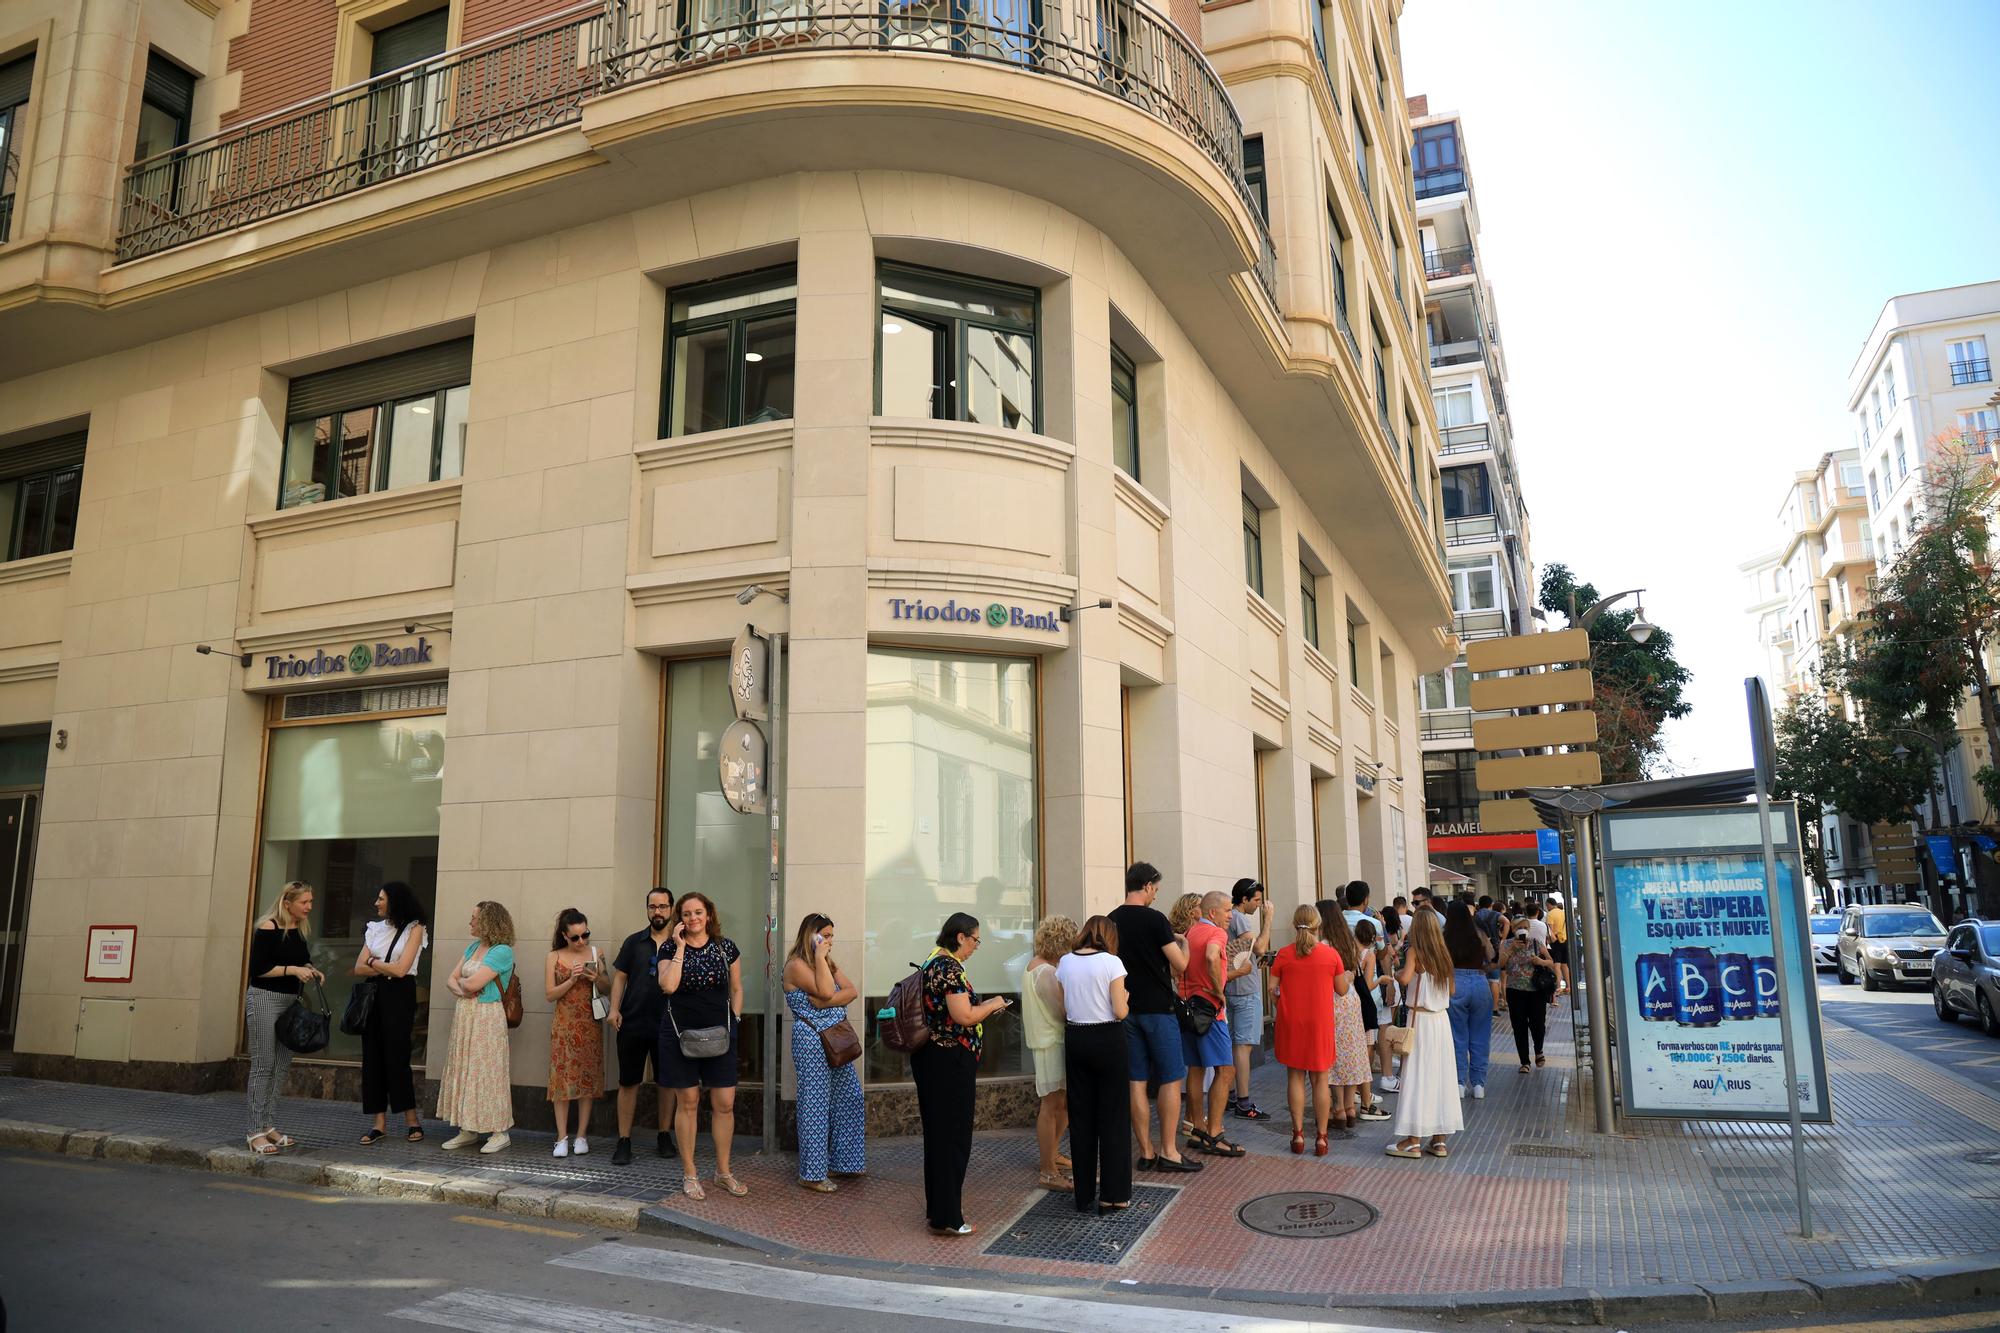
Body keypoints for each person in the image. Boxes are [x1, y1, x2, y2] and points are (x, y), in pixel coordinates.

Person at [913, 912, 1011, 1235]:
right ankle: (949, 1217)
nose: (976, 946)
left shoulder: (932, 960)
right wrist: (993, 1004)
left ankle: (939, 1211)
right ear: (960, 937)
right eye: (975, 940)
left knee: (939, 1137)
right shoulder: (949, 967)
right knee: (954, 1138)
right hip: (948, 1060)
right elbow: (964, 1015)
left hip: (934, 1058)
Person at [1110, 862, 1198, 1174]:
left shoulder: (1111, 920)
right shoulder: (1155, 920)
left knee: (1136, 1081)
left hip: (1125, 1008)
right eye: (1156, 890)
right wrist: (1184, 944)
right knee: (1171, 1078)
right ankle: (1169, 1151)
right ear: (1147, 886)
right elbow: (1180, 965)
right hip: (1159, 1009)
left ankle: (1146, 1151)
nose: (1155, 896)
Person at [658, 891, 745, 1200]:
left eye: (698, 912)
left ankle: (723, 1172)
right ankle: (690, 1174)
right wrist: (680, 946)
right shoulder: (669, 947)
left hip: (721, 1034)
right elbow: (668, 985)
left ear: (709, 914)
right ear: (679, 919)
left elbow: (736, 988)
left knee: (725, 1103)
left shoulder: (726, 947)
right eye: (686, 914)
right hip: (680, 1035)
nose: (692, 918)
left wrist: (735, 1020)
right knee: (689, 1103)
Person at [784, 913, 865, 1192]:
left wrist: (823, 1003)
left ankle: (844, 1162)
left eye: (831, 935)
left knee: (850, 1096)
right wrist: (820, 960)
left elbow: (850, 991)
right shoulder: (796, 965)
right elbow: (829, 990)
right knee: (815, 1104)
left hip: (836, 1039)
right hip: (811, 1040)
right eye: (825, 935)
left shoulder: (828, 962)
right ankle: (812, 1174)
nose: (830, 940)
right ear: (811, 935)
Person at [1057, 916, 1131, 1215]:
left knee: (1081, 1116)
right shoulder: (1112, 963)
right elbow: (1120, 1010)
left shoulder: (1065, 962)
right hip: (1108, 1037)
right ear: (1109, 936)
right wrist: (1125, 996)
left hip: (1076, 1036)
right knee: (1113, 1117)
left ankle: (1083, 1194)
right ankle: (1113, 1195)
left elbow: (1064, 1008)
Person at [245, 881, 322, 1155]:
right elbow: (259, 970)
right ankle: (254, 1131)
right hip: (264, 999)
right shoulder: (268, 928)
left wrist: (311, 970)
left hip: (290, 1003)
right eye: (305, 902)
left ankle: (268, 1126)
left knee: (279, 1066)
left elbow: (303, 960)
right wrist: (293, 970)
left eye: (311, 902)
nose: (309, 907)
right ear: (287, 903)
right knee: (263, 1064)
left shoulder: (299, 930)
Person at [439, 900, 516, 1155]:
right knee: (464, 1068)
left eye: (474, 918)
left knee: (487, 1070)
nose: (470, 922)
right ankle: (468, 1128)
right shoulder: (473, 947)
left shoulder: (502, 951)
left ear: (488, 921)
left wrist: (465, 985)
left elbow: (471, 984)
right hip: (465, 1015)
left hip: (486, 1016)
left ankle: (499, 1131)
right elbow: (451, 980)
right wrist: (466, 985)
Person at [353, 881, 427, 1145]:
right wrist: (381, 965)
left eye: (381, 898)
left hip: (400, 996)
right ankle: (378, 1124)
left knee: (398, 1056)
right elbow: (358, 968)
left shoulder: (415, 929)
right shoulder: (374, 929)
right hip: (374, 996)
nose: (376, 903)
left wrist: (373, 962)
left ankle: (411, 1120)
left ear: (395, 901)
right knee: (372, 1058)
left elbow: (402, 970)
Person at [1386, 909, 1464, 1160]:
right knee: (1440, 1077)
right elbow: (1451, 990)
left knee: (1417, 1077)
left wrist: (1396, 974)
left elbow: (1406, 977)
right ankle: (1439, 1141)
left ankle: (1413, 1140)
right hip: (1441, 1021)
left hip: (1419, 1020)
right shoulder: (1444, 955)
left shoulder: (1414, 952)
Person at [1270, 904, 1346, 1155]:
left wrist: (1282, 1003)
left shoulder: (1283, 954)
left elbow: (1273, 989)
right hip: (1320, 1022)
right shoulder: (1330, 955)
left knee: (1295, 1077)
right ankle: (1322, 1138)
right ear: (1318, 925)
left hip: (1292, 1021)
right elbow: (1342, 990)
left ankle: (1298, 1135)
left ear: (1295, 924)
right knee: (1320, 1079)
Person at [609, 888, 676, 1166]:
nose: (657, 912)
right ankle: (624, 1140)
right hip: (633, 1021)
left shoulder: (679, 943)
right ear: (647, 909)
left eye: (662, 906)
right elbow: (619, 978)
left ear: (671, 908)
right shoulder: (633, 942)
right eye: (652, 906)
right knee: (628, 1082)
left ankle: (664, 1135)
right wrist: (614, 1009)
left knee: (667, 1083)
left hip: (668, 1023)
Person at [1180, 891, 1244, 1158]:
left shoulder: (1189, 933)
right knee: (1226, 1070)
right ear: (1212, 913)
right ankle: (1215, 1134)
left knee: (1195, 1069)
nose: (1231, 915)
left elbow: (1178, 965)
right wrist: (1218, 990)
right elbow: (1210, 956)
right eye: (1227, 910)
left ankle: (1197, 1129)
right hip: (1210, 1011)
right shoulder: (1217, 934)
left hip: (1188, 1009)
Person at [545, 908, 609, 1158]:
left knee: (587, 1080)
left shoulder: (596, 953)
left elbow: (608, 987)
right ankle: (561, 1137)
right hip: (563, 1025)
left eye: (585, 935)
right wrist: (571, 980)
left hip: (589, 1023)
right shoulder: (554, 956)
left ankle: (581, 1135)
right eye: (575, 937)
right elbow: (549, 994)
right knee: (561, 1081)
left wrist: (596, 977)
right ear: (564, 935)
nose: (582, 941)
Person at [1021, 914, 1077, 1191]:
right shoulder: (1046, 972)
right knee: (1052, 1105)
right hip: (1051, 1042)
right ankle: (1047, 1169)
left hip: (1047, 1042)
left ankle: (1052, 1154)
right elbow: (1062, 1010)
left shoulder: (1036, 966)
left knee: (1060, 1104)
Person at [1318, 900, 1370, 1134]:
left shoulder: (1323, 945)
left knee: (1334, 1054)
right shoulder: (1349, 942)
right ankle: (1350, 1107)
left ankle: (1337, 1108)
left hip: (1330, 1000)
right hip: (1352, 1001)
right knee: (1352, 1052)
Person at [1225, 879, 1272, 1121]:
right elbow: (1260, 948)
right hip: (1245, 992)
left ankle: (1231, 1096)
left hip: (1231, 989)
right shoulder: (1240, 918)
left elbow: (1238, 954)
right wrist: (1269, 920)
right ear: (1244, 899)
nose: (1259, 905)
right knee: (1242, 1047)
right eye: (1256, 900)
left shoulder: (1227, 918)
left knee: (1234, 1045)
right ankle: (1243, 1102)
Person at [1442, 900, 1495, 1099]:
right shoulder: (1479, 934)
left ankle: (1459, 1083)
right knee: (1481, 1036)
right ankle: (1479, 1084)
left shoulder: (1444, 936)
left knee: (1457, 1036)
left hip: (1455, 984)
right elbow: (1491, 957)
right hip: (1480, 983)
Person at [1500, 922, 1558, 1071]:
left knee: (1538, 1024)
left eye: (1525, 927)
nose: (1522, 930)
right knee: (1519, 1027)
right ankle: (1524, 1062)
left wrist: (1541, 961)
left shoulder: (1536, 943)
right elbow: (1500, 964)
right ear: (1513, 929)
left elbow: (1551, 962)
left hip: (1536, 991)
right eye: (1519, 927)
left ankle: (1539, 1051)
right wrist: (1512, 948)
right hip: (1514, 990)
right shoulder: (1506, 944)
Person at [1352, 917, 1391, 1121]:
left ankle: (1356, 1091)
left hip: (1348, 1005)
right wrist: (1382, 979)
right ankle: (1363, 1089)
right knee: (1367, 1046)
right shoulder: (1370, 955)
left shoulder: (1348, 951)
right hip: (1366, 1006)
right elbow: (1368, 985)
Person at [1474, 896, 1508, 1014]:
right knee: (1494, 979)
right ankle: (1494, 1008)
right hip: (1494, 947)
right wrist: (1503, 939)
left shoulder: (1475, 915)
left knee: (1481, 976)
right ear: (1491, 904)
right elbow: (1506, 922)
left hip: (1479, 948)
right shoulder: (1494, 914)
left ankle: (1482, 1007)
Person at [1546, 896, 1570, 994]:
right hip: (1564, 939)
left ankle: (1558, 987)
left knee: (1556, 964)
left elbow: (1550, 930)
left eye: (1547, 905)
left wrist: (1550, 941)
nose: (1547, 907)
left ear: (1549, 904)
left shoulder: (1550, 914)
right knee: (1564, 964)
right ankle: (1568, 987)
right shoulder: (1563, 912)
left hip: (1555, 941)